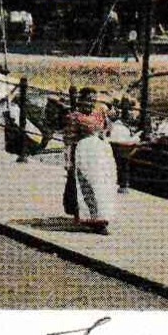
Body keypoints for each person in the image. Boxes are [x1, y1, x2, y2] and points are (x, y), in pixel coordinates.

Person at [64, 88, 116, 234]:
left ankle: (100, 217)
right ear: (81, 100)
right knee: (88, 186)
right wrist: (68, 160)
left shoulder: (98, 114)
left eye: (93, 100)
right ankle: (95, 220)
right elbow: (69, 140)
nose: (91, 103)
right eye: (88, 100)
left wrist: (107, 121)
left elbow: (108, 129)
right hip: (84, 154)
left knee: (102, 186)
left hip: (100, 155)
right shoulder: (74, 117)